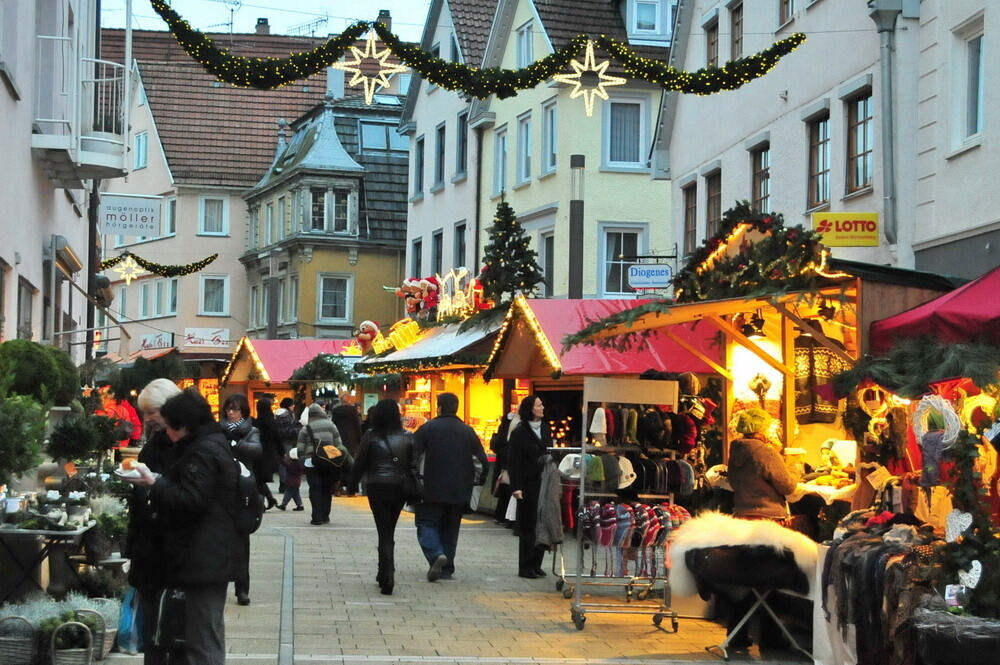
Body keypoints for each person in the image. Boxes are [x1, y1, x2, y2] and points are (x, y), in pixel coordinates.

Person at [122, 388, 239, 665]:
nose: (168, 435)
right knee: (198, 636)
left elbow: (192, 499)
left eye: (170, 426)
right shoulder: (210, 444)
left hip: (202, 558)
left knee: (200, 641)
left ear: (184, 425)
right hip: (205, 556)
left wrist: (155, 483)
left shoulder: (202, 452)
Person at [724, 407, 802, 650]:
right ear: (761, 427)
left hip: (743, 518)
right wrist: (795, 467)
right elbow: (787, 484)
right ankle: (771, 638)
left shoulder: (736, 451)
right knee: (772, 580)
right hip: (768, 521)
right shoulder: (765, 451)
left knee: (747, 578)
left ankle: (737, 634)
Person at [125, 378, 182, 665]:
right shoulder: (155, 444)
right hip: (149, 551)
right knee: (153, 633)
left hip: (170, 553)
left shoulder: (183, 448)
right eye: (144, 413)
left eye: (151, 412)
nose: (146, 419)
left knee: (169, 634)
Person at [411, 392, 487, 582]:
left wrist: (414, 480)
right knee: (451, 528)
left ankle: (436, 554)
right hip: (459, 490)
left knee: (426, 523)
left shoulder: (427, 429)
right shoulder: (468, 431)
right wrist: (476, 483)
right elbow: (481, 462)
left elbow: (413, 456)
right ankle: (447, 568)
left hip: (429, 488)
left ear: (439, 407)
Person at [346, 398, 413, 595]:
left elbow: (360, 461)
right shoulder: (408, 436)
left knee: (383, 530)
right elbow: (413, 464)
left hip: (377, 485)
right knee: (389, 528)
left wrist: (352, 484)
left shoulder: (371, 435)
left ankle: (387, 573)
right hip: (399, 486)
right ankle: (385, 571)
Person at [221, 393, 262, 606]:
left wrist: (235, 444)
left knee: (241, 543)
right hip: (222, 490)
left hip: (243, 491)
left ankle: (242, 588)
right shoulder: (218, 430)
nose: (231, 412)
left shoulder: (251, 431)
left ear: (243, 411)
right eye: (229, 408)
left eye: (235, 409)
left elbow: (256, 450)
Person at [507, 394, 551, 579]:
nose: (542, 408)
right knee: (528, 526)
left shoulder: (546, 429)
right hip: (527, 484)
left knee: (541, 524)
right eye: (539, 405)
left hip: (545, 482)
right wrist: (516, 487)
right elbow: (514, 461)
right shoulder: (520, 431)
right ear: (531, 409)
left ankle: (537, 563)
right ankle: (525, 566)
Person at [295, 403, 353, 525]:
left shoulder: (306, 428)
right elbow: (339, 445)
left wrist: (303, 461)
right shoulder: (331, 426)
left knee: (315, 489)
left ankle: (317, 517)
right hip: (329, 462)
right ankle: (325, 515)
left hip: (312, 462)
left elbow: (300, 448)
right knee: (327, 489)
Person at [330, 395, 363, 494]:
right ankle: (351, 488)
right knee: (351, 465)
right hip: (352, 441)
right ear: (349, 401)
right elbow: (357, 426)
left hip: (338, 441)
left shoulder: (335, 411)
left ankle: (338, 488)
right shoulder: (353, 411)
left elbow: (333, 425)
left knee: (338, 464)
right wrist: (359, 440)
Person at [253, 397, 281, 510]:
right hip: (270, 452)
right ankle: (269, 499)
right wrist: (281, 451)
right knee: (260, 479)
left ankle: (264, 502)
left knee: (258, 479)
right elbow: (277, 437)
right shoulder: (272, 421)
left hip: (260, 453)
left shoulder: (258, 422)